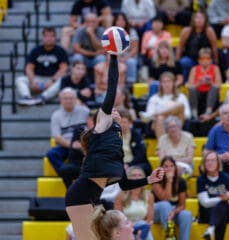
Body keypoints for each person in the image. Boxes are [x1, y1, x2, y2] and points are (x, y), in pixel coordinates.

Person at [65, 55, 164, 240]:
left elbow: (124, 184)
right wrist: (114, 54)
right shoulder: (102, 128)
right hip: (79, 197)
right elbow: (112, 86)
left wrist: (149, 179)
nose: (115, 110)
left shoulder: (116, 147)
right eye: (111, 110)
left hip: (93, 199)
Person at [16, 27, 68, 106]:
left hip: (53, 79)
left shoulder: (61, 51)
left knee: (63, 80)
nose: (49, 38)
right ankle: (27, 97)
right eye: (46, 36)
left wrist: (52, 80)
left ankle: (42, 97)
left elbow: (63, 69)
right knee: (20, 79)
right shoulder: (35, 50)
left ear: (55, 38)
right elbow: (29, 68)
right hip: (37, 78)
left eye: (51, 36)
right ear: (42, 37)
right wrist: (32, 81)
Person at [46, 87, 90, 175]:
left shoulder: (85, 111)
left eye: (71, 98)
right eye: (65, 98)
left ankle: (84, 173)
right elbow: (56, 136)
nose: (68, 101)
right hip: (66, 146)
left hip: (83, 145)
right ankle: (65, 173)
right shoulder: (56, 115)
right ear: (61, 100)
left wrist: (83, 144)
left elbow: (91, 128)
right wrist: (71, 145)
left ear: (75, 99)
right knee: (51, 154)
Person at [140, 71, 191, 139]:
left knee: (180, 105)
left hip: (177, 122)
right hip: (160, 123)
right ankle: (163, 147)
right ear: (160, 84)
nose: (167, 84)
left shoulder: (181, 97)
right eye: (164, 82)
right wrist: (165, 114)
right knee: (160, 118)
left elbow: (188, 115)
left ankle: (158, 113)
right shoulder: (154, 98)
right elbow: (149, 114)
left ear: (173, 83)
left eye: (169, 81)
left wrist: (169, 112)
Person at [152, 156, 193, 240]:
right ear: (161, 168)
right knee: (165, 205)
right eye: (166, 166)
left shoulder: (181, 181)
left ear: (175, 168)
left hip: (171, 212)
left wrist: (174, 212)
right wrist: (169, 181)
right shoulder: (156, 180)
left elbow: (182, 205)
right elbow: (165, 199)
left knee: (187, 214)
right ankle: (170, 236)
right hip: (156, 212)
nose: (169, 169)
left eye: (171, 166)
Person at [197, 151, 229, 240]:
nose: (210, 163)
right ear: (204, 163)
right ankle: (211, 229)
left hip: (225, 212)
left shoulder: (226, 177)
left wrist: (227, 199)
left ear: (218, 163)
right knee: (222, 206)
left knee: (223, 206)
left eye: (213, 160)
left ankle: (210, 229)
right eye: (207, 161)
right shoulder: (201, 179)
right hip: (206, 213)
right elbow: (205, 203)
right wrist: (223, 199)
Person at [176, 10, 218, 83]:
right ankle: (184, 82)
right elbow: (179, 47)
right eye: (197, 18)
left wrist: (216, 62)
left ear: (205, 20)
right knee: (183, 62)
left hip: (205, 59)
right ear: (193, 19)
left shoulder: (209, 31)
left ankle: (210, 82)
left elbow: (214, 47)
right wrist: (176, 63)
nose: (199, 20)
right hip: (190, 59)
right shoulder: (186, 31)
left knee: (211, 63)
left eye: (201, 18)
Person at [114, 166, 155, 240]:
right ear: (128, 178)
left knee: (143, 225)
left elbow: (149, 219)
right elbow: (118, 218)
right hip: (126, 227)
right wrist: (130, 226)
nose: (137, 178)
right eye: (134, 175)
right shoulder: (120, 195)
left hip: (142, 228)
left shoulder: (149, 196)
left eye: (140, 175)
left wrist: (142, 229)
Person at [59, 109, 95, 189]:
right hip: (77, 162)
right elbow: (74, 147)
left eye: (95, 120)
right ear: (87, 120)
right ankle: (70, 191)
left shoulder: (102, 132)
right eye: (91, 119)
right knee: (64, 170)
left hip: (93, 164)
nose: (93, 122)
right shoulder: (79, 130)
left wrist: (83, 147)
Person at [187, 47, 222, 118]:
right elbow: (190, 86)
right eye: (202, 59)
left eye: (207, 59)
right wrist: (199, 83)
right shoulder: (194, 69)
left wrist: (211, 82)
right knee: (192, 90)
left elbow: (218, 84)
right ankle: (194, 112)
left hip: (211, 92)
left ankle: (208, 111)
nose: (205, 61)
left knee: (214, 88)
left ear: (211, 60)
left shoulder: (215, 68)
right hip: (199, 92)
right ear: (199, 60)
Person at [119, 108, 152, 176]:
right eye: (120, 122)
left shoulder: (136, 134)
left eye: (124, 122)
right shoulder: (113, 136)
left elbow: (140, 155)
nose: (122, 125)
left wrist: (128, 165)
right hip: (119, 163)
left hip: (135, 163)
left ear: (130, 123)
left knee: (141, 168)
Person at [114, 12, 139, 85]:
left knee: (131, 62)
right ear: (114, 21)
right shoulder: (110, 32)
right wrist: (118, 57)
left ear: (126, 22)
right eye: (118, 20)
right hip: (115, 55)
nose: (120, 22)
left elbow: (135, 49)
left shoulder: (132, 32)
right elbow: (109, 48)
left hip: (129, 55)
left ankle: (130, 84)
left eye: (122, 20)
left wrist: (125, 58)